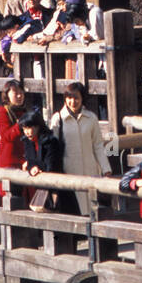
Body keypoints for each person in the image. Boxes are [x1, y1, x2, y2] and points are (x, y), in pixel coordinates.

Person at [51, 82, 111, 216]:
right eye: (69, 97)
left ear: (82, 98)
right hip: (68, 170)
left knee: (92, 208)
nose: (73, 101)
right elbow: (53, 147)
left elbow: (98, 145)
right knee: (72, 210)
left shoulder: (91, 118)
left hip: (90, 169)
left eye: (76, 97)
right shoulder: (58, 119)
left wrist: (105, 168)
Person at [20, 108, 79, 215]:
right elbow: (30, 161)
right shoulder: (27, 142)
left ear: (38, 126)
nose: (27, 132)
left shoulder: (51, 142)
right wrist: (31, 168)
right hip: (42, 187)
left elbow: (51, 166)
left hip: (58, 189)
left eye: (30, 127)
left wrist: (36, 167)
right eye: (24, 128)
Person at [0, 79, 27, 198]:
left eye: (21, 93)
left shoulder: (24, 111)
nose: (19, 96)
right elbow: (5, 135)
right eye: (15, 93)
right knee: (11, 196)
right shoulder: (3, 112)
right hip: (10, 160)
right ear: (7, 95)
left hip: (24, 160)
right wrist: (19, 126)